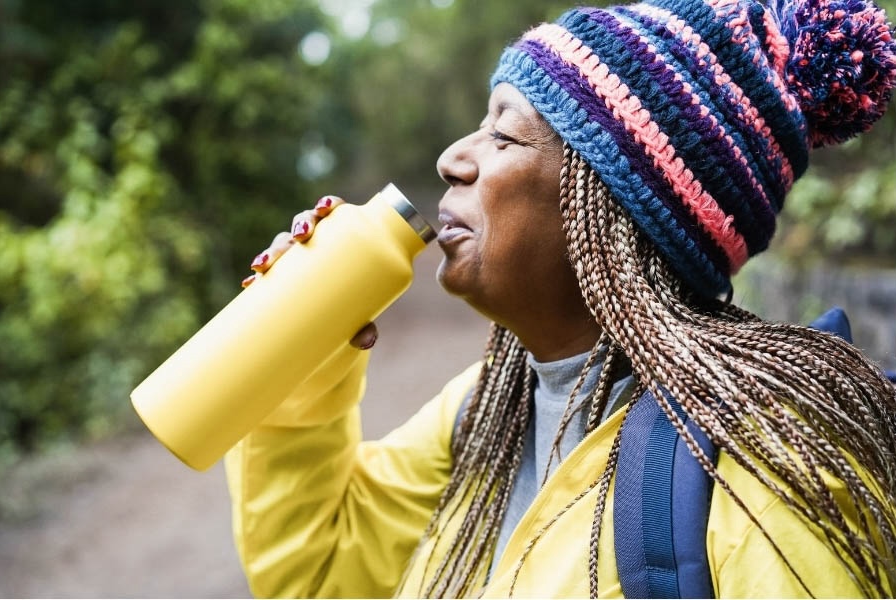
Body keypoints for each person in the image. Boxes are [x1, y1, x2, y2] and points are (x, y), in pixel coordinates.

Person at [225, 0, 896, 596]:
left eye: (503, 135)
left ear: (614, 206)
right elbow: (323, 574)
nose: (453, 159)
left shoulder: (765, 483)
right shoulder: (487, 408)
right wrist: (299, 348)